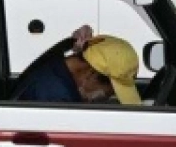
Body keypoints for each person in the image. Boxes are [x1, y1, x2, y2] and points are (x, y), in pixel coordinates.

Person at [13, 27, 142, 105]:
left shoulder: (53, 66)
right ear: (90, 74)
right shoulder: (57, 100)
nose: (104, 99)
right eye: (108, 94)